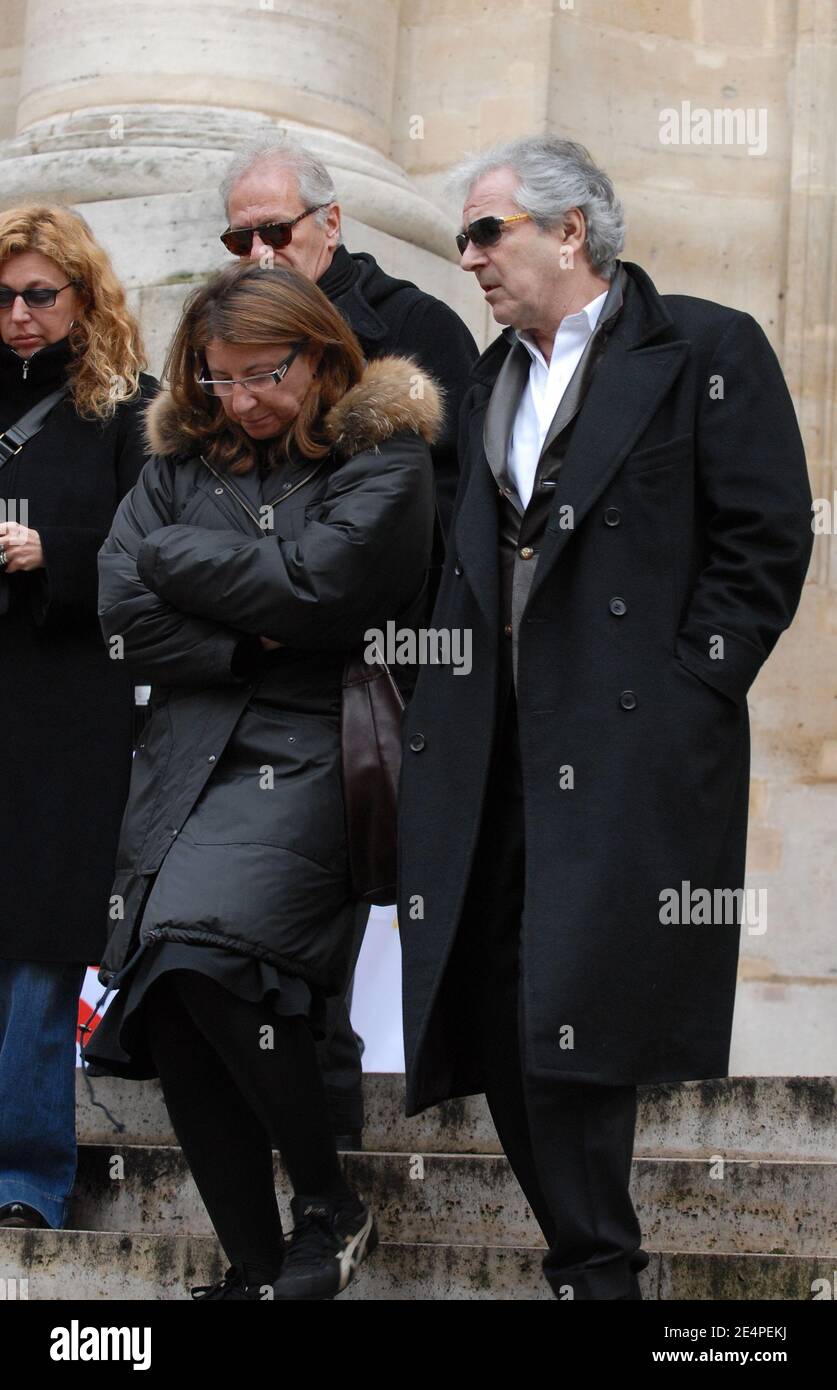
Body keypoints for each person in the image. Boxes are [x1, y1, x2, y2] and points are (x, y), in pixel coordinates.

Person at [397, 136, 814, 1300]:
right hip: (494, 745)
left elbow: (767, 536)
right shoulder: (489, 380)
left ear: (569, 230)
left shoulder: (706, 348)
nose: (468, 255)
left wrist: (694, 687)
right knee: (496, 995)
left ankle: (596, 1265)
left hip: (627, 747)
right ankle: (595, 1257)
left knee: (575, 997)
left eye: (487, 231)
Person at [82, 262, 438, 1300]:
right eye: (218, 377)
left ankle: (328, 1200)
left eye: (263, 375)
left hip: (318, 751)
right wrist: (251, 635)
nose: (239, 400)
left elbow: (325, 586)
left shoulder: (385, 456)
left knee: (206, 956)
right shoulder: (183, 461)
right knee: (172, 994)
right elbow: (119, 611)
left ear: (320, 354)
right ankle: (253, 1265)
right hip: (192, 746)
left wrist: (178, 563)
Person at [219, 132, 479, 1147]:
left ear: (329, 225)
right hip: (250, 672)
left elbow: (457, 516)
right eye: (236, 235)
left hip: (371, 672)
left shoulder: (416, 329)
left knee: (338, 900)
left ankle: (331, 1159)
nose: (255, 251)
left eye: (273, 229)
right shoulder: (220, 341)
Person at [0, 204, 155, 1231]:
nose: (17, 315)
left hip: (64, 712)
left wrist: (51, 550)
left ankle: (24, 1178)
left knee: (39, 951)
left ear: (84, 295)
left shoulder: (130, 409)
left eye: (38, 295)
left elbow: (157, 558)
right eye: (3, 296)